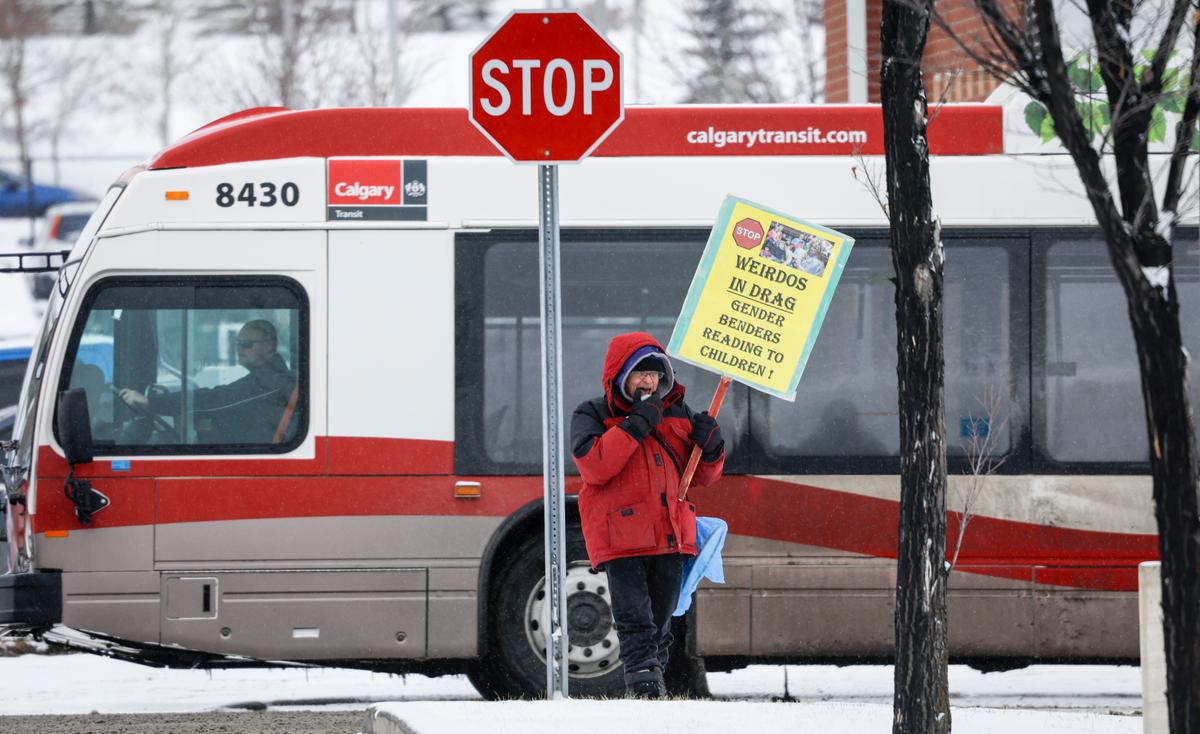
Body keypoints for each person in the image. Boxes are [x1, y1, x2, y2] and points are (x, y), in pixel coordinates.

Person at [570, 332, 725, 698]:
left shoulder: (678, 412)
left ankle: (649, 689)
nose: (649, 381)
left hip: (669, 537)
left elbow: (702, 476)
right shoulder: (593, 413)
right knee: (635, 619)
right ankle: (644, 687)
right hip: (621, 540)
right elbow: (595, 467)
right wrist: (637, 424)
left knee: (661, 620)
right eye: (640, 373)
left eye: (655, 374)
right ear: (620, 374)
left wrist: (713, 446)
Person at [118, 319, 295, 444]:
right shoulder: (266, 378)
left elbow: (216, 400)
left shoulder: (271, 384)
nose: (240, 348)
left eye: (247, 344)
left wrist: (152, 403)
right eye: (238, 342)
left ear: (270, 346)